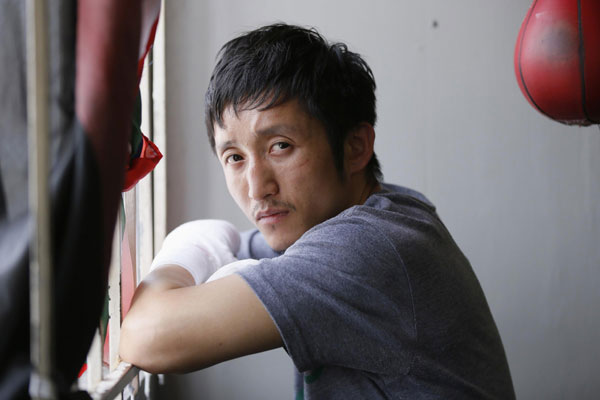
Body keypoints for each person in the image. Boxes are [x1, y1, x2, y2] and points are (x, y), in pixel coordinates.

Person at [120, 23, 516, 399]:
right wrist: (207, 249)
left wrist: (187, 256)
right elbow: (230, 243)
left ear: (355, 146)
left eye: (280, 146)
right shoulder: (369, 214)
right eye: (235, 157)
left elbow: (146, 336)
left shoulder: (366, 248)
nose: (258, 188)